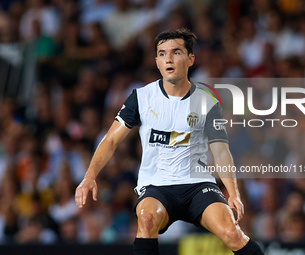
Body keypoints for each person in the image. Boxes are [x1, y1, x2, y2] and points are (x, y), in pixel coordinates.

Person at [75, 28, 264, 255]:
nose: (169, 59)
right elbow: (111, 140)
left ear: (190, 59)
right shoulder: (141, 98)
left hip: (198, 185)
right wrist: (89, 176)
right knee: (146, 220)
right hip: (157, 186)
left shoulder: (207, 99)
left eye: (176, 52)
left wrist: (233, 193)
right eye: (162, 54)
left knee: (232, 233)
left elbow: (221, 151)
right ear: (156, 61)